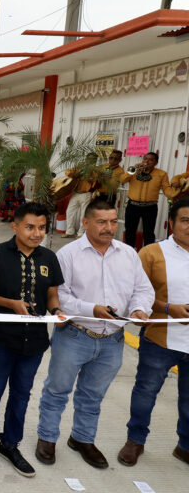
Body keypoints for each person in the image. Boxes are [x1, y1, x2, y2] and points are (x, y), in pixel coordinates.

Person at [35, 199, 153, 469]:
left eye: (113, 222)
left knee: (92, 395)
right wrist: (92, 309)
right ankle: (47, 437)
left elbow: (142, 290)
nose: (109, 227)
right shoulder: (68, 255)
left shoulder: (128, 254)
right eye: (101, 222)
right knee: (57, 390)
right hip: (75, 335)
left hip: (113, 340)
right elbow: (59, 295)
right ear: (86, 222)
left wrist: (138, 309)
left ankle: (82, 439)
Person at [0, 203, 65, 478]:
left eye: (41, 228)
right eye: (30, 227)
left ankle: (10, 444)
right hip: (1, 338)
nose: (36, 233)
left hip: (35, 341)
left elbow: (51, 293)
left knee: (22, 394)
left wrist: (56, 310)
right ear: (15, 226)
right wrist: (11, 304)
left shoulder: (49, 257)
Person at [117, 197, 189, 468]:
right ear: (171, 223)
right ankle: (135, 441)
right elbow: (133, 294)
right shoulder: (151, 253)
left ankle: (185, 446)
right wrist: (169, 308)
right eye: (185, 220)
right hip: (160, 339)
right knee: (146, 392)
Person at [121, 152, 180, 247]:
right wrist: (132, 170)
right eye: (145, 159)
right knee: (130, 232)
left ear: (156, 162)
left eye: (150, 160)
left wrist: (175, 192)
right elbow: (122, 180)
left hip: (150, 208)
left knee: (149, 233)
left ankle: (148, 255)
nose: (147, 161)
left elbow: (166, 189)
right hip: (132, 206)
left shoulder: (161, 174)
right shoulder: (134, 171)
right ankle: (129, 254)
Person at [62, 164, 96, 238]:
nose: (90, 161)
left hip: (86, 194)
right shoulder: (79, 167)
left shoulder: (95, 171)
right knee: (69, 211)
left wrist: (90, 179)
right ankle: (69, 231)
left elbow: (95, 182)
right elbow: (67, 172)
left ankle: (80, 233)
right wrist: (74, 174)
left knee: (83, 214)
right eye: (89, 159)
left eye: (93, 160)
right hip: (76, 193)